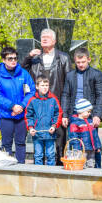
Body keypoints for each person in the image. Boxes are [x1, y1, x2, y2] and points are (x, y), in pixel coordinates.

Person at [22, 28, 72, 165]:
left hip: (57, 106)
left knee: (59, 143)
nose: (44, 39)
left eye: (48, 37)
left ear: (54, 41)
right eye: (42, 37)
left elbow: (68, 85)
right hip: (38, 106)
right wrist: (29, 56)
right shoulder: (35, 59)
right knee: (39, 145)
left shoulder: (63, 57)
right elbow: (21, 70)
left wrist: (66, 112)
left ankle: (59, 170)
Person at [61, 47, 102, 167]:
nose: (80, 65)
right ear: (75, 61)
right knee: (75, 144)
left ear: (89, 59)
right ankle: (77, 167)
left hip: (89, 116)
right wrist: (64, 115)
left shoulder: (96, 74)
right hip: (74, 116)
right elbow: (66, 95)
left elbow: (100, 96)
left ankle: (95, 170)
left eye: (83, 62)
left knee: (92, 144)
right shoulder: (70, 75)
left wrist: (97, 115)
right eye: (78, 62)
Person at [0, 47, 35, 164]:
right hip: (5, 114)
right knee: (7, 144)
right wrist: (12, 106)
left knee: (21, 142)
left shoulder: (24, 73)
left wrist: (21, 105)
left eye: (15, 58)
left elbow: (31, 91)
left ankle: (21, 167)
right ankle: (8, 167)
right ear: (3, 60)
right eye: (10, 58)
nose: (13, 61)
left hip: (21, 114)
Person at [25, 76, 62, 165]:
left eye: (46, 85)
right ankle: (39, 175)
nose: (45, 87)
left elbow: (58, 113)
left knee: (50, 155)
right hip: (37, 134)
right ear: (37, 86)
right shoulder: (32, 100)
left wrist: (54, 126)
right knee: (38, 155)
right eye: (42, 85)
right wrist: (30, 128)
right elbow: (28, 115)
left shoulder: (53, 99)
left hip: (50, 134)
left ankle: (50, 175)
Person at [67, 98, 102, 168]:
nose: (90, 113)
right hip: (81, 150)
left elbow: (95, 136)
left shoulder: (90, 122)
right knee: (82, 164)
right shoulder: (75, 124)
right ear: (81, 111)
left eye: (90, 112)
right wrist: (76, 149)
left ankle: (91, 176)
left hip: (91, 148)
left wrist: (97, 146)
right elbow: (74, 138)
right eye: (88, 112)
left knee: (91, 163)